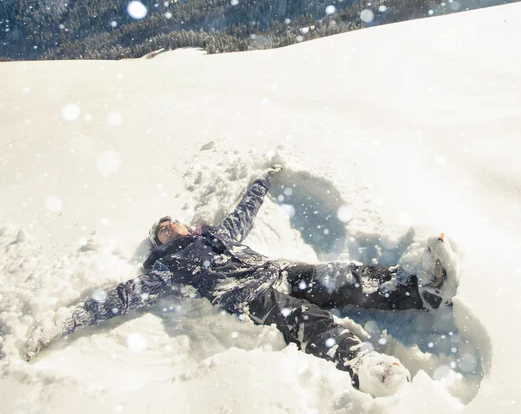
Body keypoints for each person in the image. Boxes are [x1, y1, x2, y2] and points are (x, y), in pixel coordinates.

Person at [25, 165, 460, 398]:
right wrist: (65, 322)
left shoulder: (217, 233)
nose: (170, 229)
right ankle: (362, 366)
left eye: (172, 223)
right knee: (306, 320)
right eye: (162, 231)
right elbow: (121, 298)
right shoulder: (165, 268)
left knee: (341, 278)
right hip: (248, 296)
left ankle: (419, 288)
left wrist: (261, 180)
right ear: (158, 243)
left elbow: (242, 214)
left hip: (278, 269)